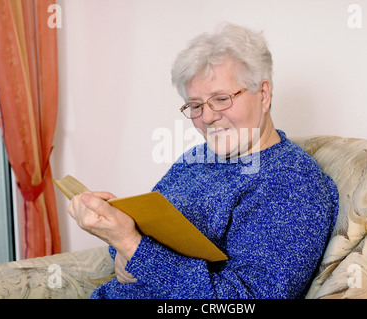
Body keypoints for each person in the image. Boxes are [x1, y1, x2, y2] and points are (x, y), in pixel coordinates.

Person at [68, 23, 339, 299]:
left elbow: (244, 301)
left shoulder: (292, 181)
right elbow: (143, 231)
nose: (207, 117)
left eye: (221, 99)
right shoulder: (196, 158)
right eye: (196, 106)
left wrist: (130, 246)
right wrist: (121, 248)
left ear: (264, 94)